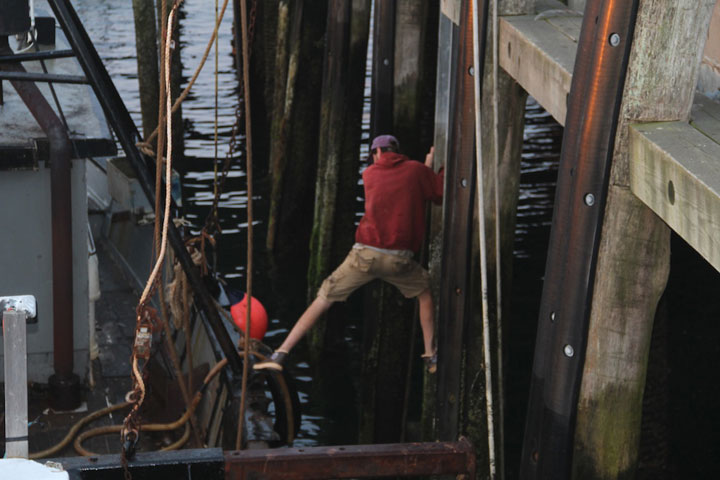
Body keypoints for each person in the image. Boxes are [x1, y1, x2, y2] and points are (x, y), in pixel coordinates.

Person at [254, 134, 443, 373]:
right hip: (398, 260)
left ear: (377, 153)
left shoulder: (369, 175)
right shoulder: (416, 171)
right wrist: (434, 166)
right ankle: (430, 355)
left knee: (323, 298)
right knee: (424, 292)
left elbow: (402, 188)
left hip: (364, 256)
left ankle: (281, 353)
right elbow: (434, 192)